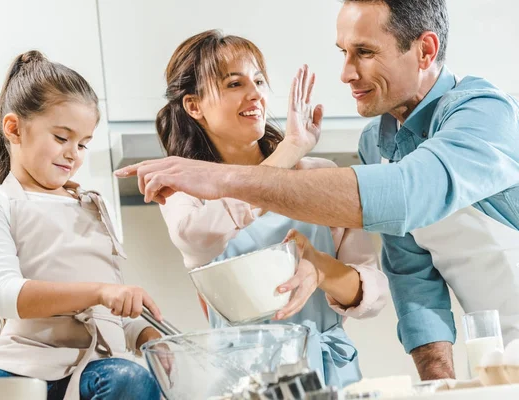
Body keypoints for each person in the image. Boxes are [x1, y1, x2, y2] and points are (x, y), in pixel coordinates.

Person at [116, 0, 519, 381]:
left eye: (364, 52)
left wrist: (225, 178)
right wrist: (438, 383)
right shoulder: (377, 145)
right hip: (502, 349)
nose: (344, 73)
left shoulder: (484, 112)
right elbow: (413, 277)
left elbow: (407, 194)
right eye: (343, 51)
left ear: (425, 51)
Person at [152, 29, 388, 388]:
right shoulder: (184, 190)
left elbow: (372, 295)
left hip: (330, 374)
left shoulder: (319, 176)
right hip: (242, 380)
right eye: (234, 84)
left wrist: (321, 270)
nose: (255, 94)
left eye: (259, 80)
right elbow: (199, 238)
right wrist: (289, 150)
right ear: (194, 106)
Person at [0, 51, 163, 400]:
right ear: (14, 129)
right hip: (21, 365)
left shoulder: (96, 206)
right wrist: (99, 291)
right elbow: (5, 296)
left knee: (131, 380)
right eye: (61, 137)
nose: (74, 153)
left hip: (94, 369)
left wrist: (158, 340)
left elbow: (112, 315)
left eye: (83, 143)